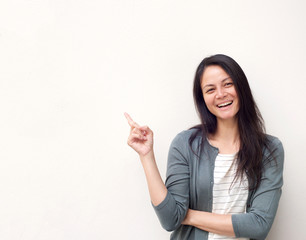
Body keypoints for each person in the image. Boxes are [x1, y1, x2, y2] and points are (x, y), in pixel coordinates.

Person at [124, 54, 284, 240]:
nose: (220, 94)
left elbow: (259, 225)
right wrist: (146, 155)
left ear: (241, 87)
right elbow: (170, 219)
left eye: (228, 84)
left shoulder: (270, 150)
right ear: (203, 99)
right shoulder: (185, 144)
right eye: (210, 90)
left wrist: (189, 215)